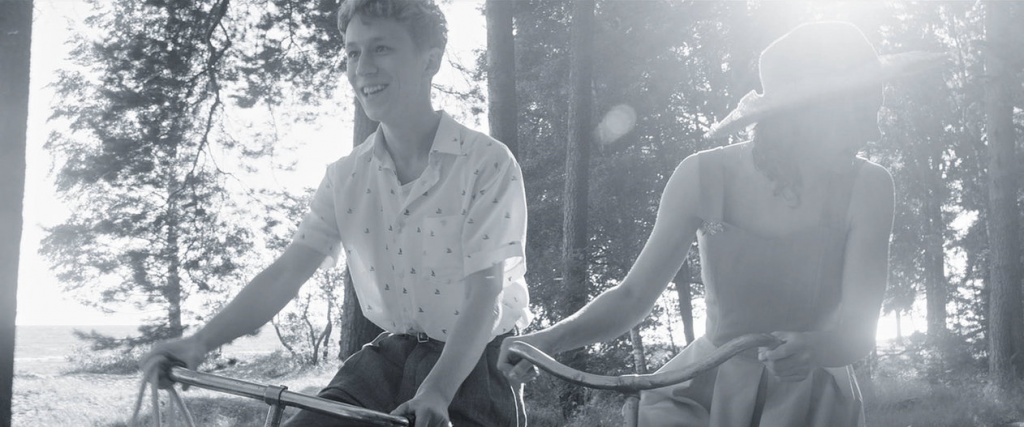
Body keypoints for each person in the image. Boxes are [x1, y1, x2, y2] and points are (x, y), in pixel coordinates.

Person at [499, 21, 942, 427]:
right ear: (803, 114)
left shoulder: (870, 187)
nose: (874, 133)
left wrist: (817, 348)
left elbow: (859, 334)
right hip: (702, 399)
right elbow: (632, 297)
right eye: (861, 113)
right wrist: (547, 341)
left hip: (812, 405)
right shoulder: (701, 176)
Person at [141, 1, 532, 426]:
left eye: (381, 49)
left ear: (430, 61)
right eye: (352, 52)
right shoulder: (346, 176)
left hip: (473, 364)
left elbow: (484, 295)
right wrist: (199, 343)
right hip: (390, 357)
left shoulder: (486, 162)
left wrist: (436, 390)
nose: (363, 68)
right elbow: (287, 272)